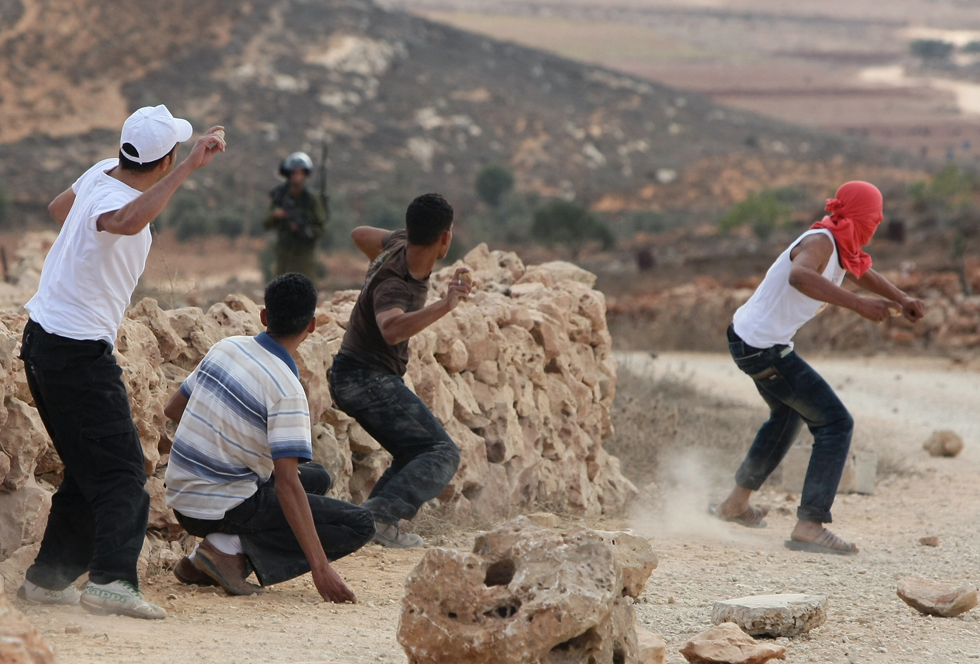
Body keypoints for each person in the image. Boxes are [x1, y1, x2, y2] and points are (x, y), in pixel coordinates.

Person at [17, 105, 225, 618]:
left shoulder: (101, 173)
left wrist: (89, 254)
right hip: (77, 352)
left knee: (88, 468)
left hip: (43, 340)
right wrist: (190, 167)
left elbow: (59, 209)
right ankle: (112, 582)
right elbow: (126, 220)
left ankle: (47, 581)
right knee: (124, 472)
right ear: (166, 159)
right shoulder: (119, 200)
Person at [713, 181, 925, 555]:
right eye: (873, 217)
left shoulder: (841, 245)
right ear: (858, 216)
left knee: (787, 415)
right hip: (761, 347)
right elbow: (800, 276)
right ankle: (810, 526)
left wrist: (901, 297)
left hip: (751, 340)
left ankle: (735, 504)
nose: (876, 225)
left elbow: (860, 272)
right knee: (835, 423)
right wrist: (859, 305)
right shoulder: (821, 242)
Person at [163, 273, 374, 602]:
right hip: (220, 507)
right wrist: (320, 568)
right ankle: (225, 548)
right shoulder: (287, 389)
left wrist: (230, 443)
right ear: (312, 325)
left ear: (264, 316)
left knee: (317, 478)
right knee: (359, 523)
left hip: (180, 499)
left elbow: (174, 409)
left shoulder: (225, 347)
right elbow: (287, 484)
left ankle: (200, 559)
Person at [329, 193, 469, 548]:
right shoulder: (396, 285)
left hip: (357, 374)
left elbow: (359, 233)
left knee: (414, 452)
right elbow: (391, 329)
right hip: (363, 377)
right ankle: (379, 518)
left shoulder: (397, 243)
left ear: (410, 228)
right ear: (445, 239)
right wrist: (446, 304)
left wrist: (378, 261)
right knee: (442, 453)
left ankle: (367, 525)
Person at [264, 152, 326, 281]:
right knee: (279, 288)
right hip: (284, 254)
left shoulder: (312, 199)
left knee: (305, 288)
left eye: (300, 173)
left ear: (305, 174)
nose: (297, 177)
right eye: (294, 173)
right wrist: (276, 215)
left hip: (304, 256)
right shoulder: (281, 196)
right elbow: (266, 224)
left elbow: (320, 230)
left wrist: (304, 229)